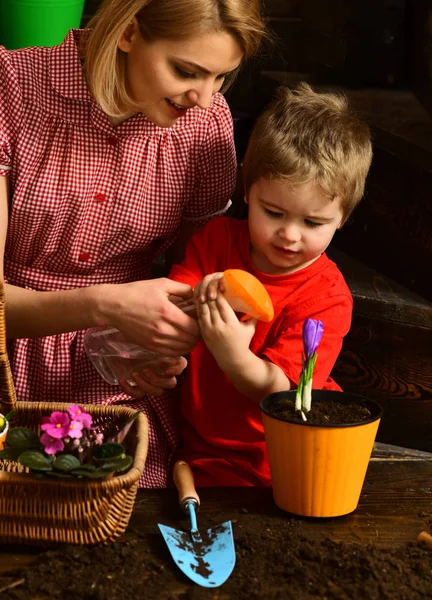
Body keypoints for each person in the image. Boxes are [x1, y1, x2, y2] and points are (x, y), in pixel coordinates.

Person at [0, 0, 267, 486]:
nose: (205, 99)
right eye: (187, 71)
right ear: (127, 32)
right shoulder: (12, 88)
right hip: (5, 365)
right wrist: (109, 307)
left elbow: (193, 280)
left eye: (221, 79)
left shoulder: (205, 127)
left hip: (121, 384)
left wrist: (160, 351)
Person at [168, 83, 373, 486]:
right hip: (193, 441)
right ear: (247, 189)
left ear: (342, 217)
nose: (290, 235)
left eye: (313, 223)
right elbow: (171, 307)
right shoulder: (216, 241)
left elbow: (283, 396)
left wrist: (233, 355)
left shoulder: (327, 297)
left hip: (278, 456)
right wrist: (194, 299)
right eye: (273, 212)